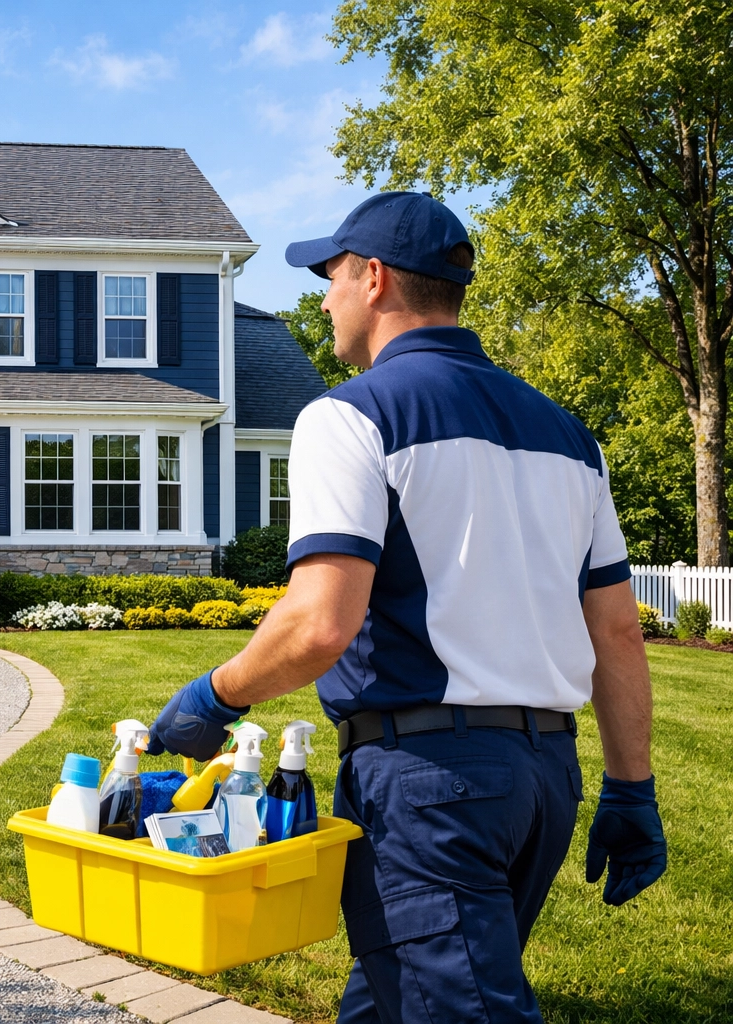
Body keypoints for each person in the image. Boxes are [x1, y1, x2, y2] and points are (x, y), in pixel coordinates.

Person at [145, 192, 667, 1023]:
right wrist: (631, 791)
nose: (322, 298)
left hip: (430, 787)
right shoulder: (572, 436)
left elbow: (320, 623)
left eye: (330, 277)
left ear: (375, 278)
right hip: (543, 785)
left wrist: (218, 695)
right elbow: (616, 630)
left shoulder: (353, 415)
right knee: (396, 998)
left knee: (457, 1008)